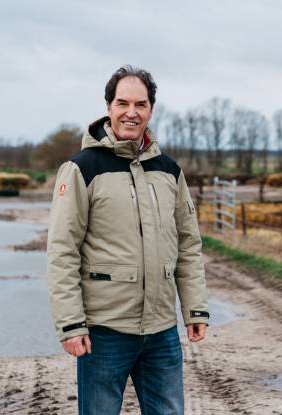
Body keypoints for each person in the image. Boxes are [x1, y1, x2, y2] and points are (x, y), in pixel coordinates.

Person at [46, 65, 209, 415]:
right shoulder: (81, 169)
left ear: (151, 110)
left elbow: (188, 244)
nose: (131, 113)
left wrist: (194, 307)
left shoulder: (169, 171)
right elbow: (62, 250)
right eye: (123, 103)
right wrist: (71, 324)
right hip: (105, 332)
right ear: (108, 107)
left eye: (141, 104)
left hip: (162, 331)